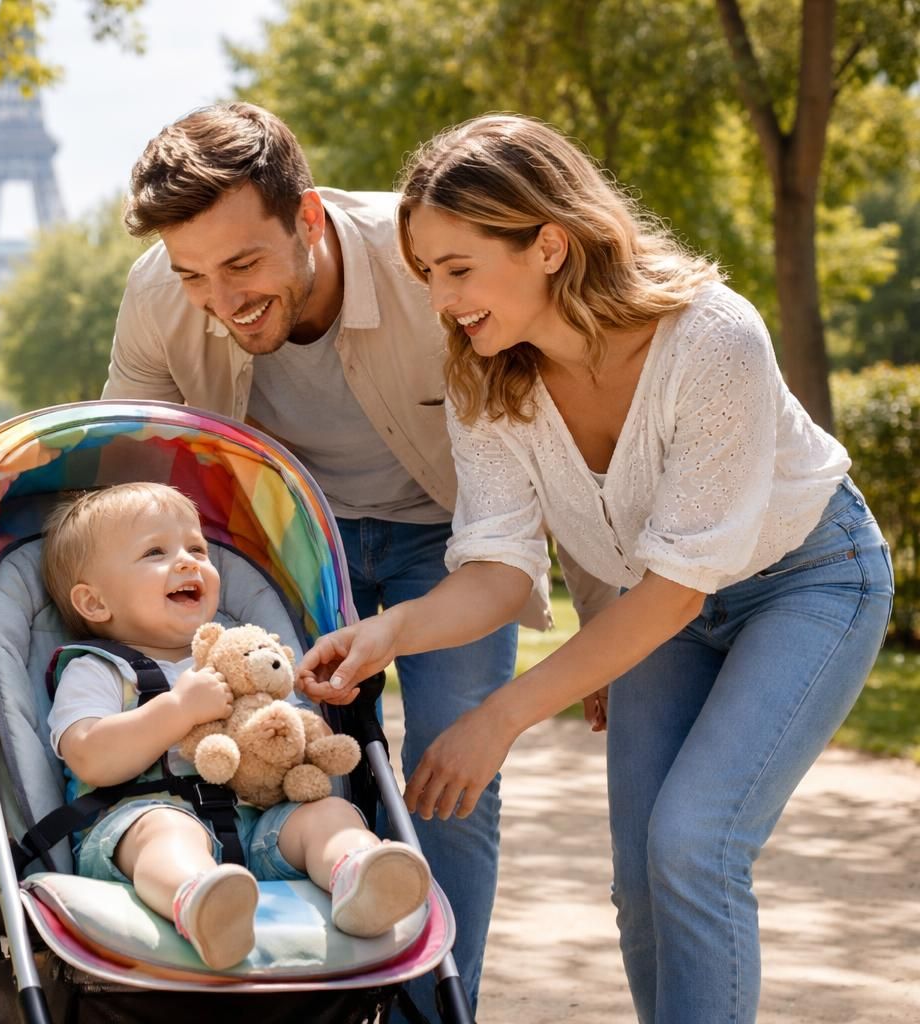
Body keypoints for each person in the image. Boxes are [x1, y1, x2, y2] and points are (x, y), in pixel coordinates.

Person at [297, 114, 893, 1024]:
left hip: (806, 580)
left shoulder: (711, 338)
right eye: (426, 275)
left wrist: (501, 717)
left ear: (548, 243)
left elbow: (678, 587)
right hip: (656, 604)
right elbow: (499, 566)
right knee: (640, 886)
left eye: (458, 269)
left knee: (693, 843)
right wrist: (392, 630)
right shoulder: (486, 375)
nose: (441, 300)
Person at [100, 101, 613, 1011]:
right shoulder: (156, 295)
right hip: (291, 547)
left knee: (453, 780)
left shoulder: (434, 265)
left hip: (455, 545)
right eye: (195, 275)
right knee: (296, 768)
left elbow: (555, 432)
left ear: (307, 218)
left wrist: (600, 620)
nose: (223, 299)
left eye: (244, 263)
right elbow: (128, 463)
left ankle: (437, 1010)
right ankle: (313, 995)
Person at [43, 482, 430, 970]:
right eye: (155, 552)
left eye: (197, 548)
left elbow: (292, 733)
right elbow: (90, 756)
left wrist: (299, 730)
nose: (188, 562)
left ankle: (358, 874)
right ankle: (199, 898)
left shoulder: (245, 655)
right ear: (95, 603)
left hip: (258, 828)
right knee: (165, 830)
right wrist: (177, 709)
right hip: (137, 823)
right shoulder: (97, 669)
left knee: (328, 812)